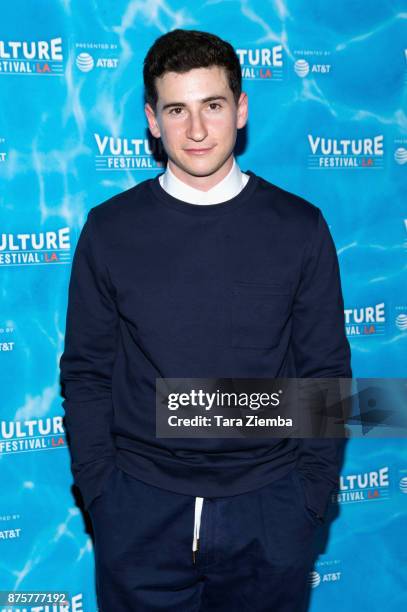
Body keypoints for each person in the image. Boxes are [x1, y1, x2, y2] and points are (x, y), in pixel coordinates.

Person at [59, 29, 351, 612]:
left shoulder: (299, 227)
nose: (196, 130)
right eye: (177, 109)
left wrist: (307, 500)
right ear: (152, 119)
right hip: (140, 515)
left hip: (269, 514)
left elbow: (326, 372)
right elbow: (87, 372)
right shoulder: (110, 230)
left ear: (240, 110)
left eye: (212, 106)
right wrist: (105, 497)